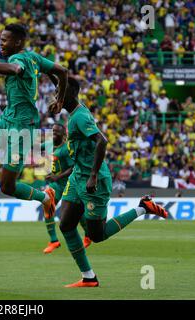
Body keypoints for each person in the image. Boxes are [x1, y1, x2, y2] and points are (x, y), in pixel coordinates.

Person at [52, 75, 168, 287]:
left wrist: (93, 175)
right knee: (67, 224)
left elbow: (101, 142)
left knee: (98, 235)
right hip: (78, 174)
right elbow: (63, 84)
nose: (55, 95)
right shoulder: (74, 108)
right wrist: (47, 70)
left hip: (93, 179)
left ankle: (142, 208)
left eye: (59, 92)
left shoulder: (80, 117)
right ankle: (88, 277)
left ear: (68, 95)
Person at [0, 23, 68, 223]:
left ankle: (45, 197)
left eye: (4, 40)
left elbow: (15, 69)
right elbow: (62, 72)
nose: (0, 43)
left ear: (17, 42)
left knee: (7, 186)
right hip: (7, 119)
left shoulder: (17, 58)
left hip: (22, 127)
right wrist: (59, 99)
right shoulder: (34, 57)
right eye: (0, 39)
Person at [41, 123, 90, 254]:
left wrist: (58, 176)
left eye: (57, 132)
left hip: (70, 183)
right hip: (56, 185)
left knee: (76, 214)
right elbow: (35, 148)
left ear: (63, 134)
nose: (54, 133)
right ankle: (53, 240)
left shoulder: (65, 149)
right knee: (47, 203)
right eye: (52, 131)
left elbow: (74, 167)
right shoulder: (49, 144)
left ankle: (88, 235)